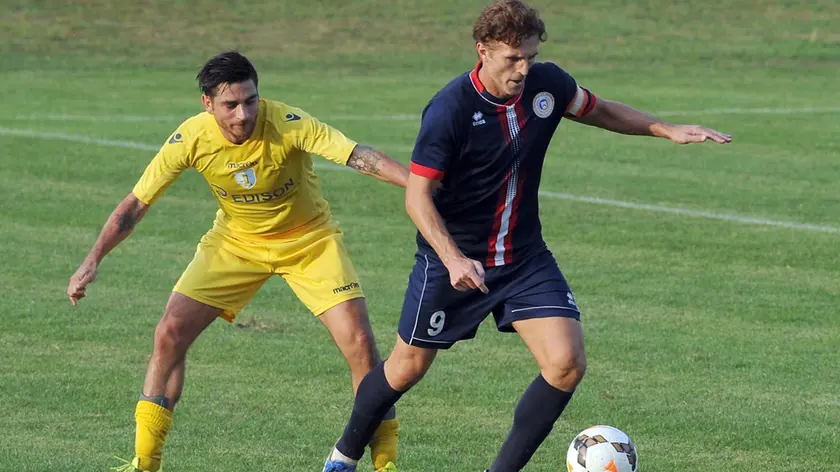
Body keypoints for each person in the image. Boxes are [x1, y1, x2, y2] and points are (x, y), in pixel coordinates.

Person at [322, 1, 732, 471]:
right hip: (453, 261)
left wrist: (666, 129)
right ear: (483, 51)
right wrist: (454, 259)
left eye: (530, 57)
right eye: (512, 58)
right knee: (406, 367)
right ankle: (344, 454)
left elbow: (598, 110)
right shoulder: (450, 109)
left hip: (523, 258)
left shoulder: (547, 84)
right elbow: (417, 199)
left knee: (566, 363)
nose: (523, 69)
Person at [66, 51, 405, 472]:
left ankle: (384, 464)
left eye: (251, 101)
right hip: (235, 243)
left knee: (360, 346)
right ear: (208, 104)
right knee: (169, 334)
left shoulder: (287, 122)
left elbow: (358, 156)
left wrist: (419, 187)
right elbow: (137, 203)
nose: (243, 114)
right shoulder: (191, 138)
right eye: (231, 105)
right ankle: (145, 463)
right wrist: (92, 259)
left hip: (309, 241)